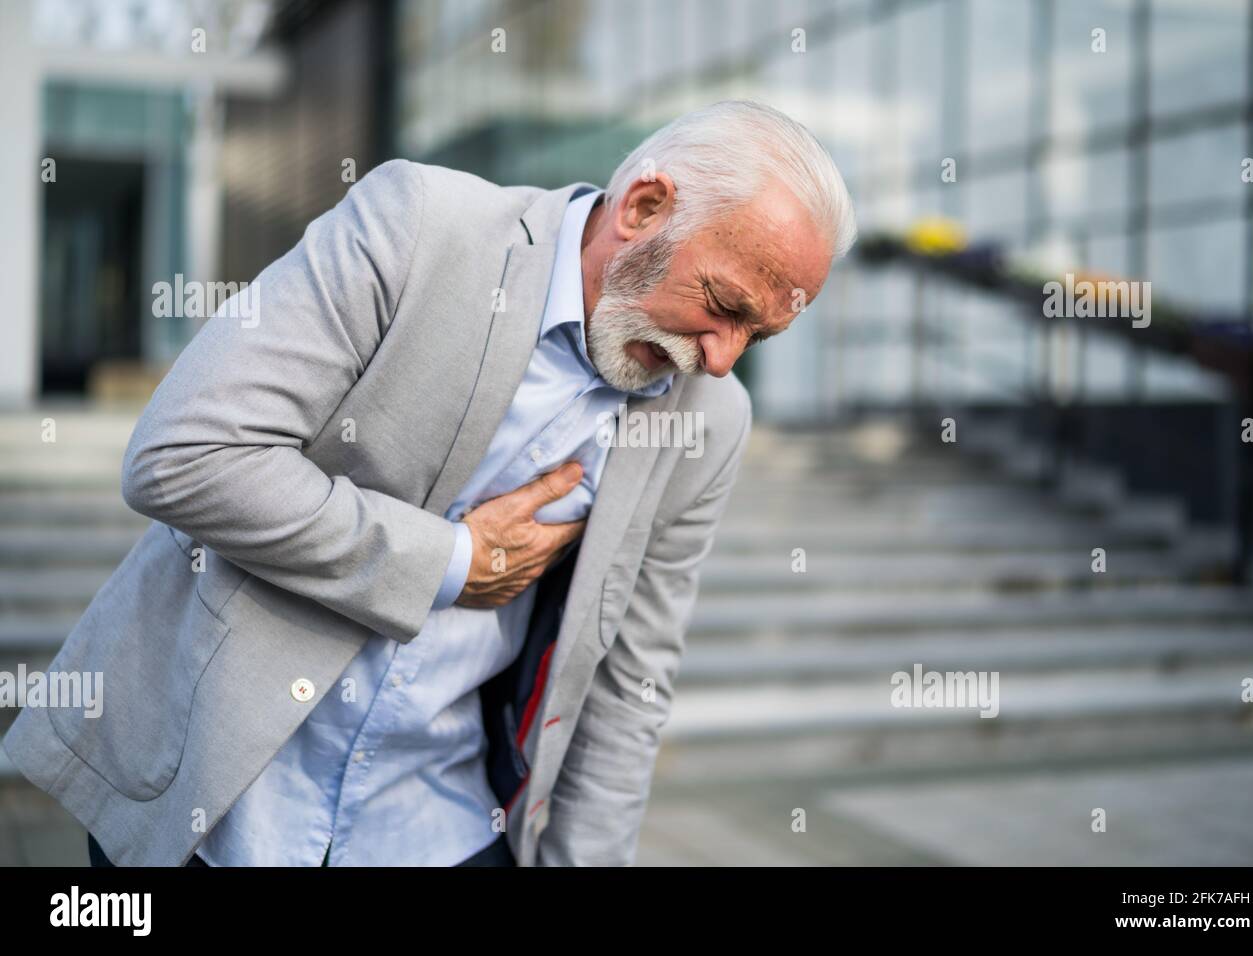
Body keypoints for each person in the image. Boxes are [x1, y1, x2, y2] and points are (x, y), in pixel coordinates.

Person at [3, 100, 856, 866]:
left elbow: (629, 684)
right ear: (644, 207)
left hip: (439, 830)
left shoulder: (710, 417)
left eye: (759, 335)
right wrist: (452, 559)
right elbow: (185, 455)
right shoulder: (418, 226)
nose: (721, 357)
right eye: (724, 303)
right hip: (214, 801)